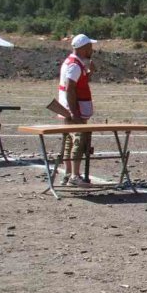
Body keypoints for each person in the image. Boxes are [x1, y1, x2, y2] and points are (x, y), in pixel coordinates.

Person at [57, 34, 98, 186]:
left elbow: (78, 84)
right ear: (84, 48)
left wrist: (89, 73)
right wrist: (75, 113)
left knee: (69, 140)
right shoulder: (74, 65)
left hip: (69, 108)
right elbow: (70, 89)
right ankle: (74, 176)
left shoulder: (74, 63)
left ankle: (68, 174)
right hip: (73, 109)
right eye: (90, 47)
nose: (91, 50)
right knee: (78, 140)